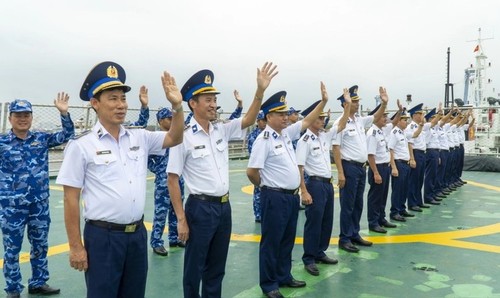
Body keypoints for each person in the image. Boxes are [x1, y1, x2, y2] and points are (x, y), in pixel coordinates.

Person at [56, 61, 184, 297]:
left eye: (123, 99)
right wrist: (76, 246)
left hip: (136, 236)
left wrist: (177, 106)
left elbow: (175, 138)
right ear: (95, 103)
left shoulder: (140, 138)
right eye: (113, 99)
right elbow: (70, 199)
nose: (121, 105)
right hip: (103, 238)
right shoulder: (81, 146)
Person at [167, 62, 278, 298]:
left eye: (214, 99)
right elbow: (172, 179)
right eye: (207, 99)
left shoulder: (221, 129)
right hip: (200, 208)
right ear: (193, 103)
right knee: (194, 266)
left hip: (223, 207)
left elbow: (248, 119)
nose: (214, 104)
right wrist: (180, 219)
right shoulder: (183, 136)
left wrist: (260, 92)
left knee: (216, 267)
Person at [247, 82, 330, 298]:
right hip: (274, 197)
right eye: (280, 114)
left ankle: (284, 276)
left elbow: (308, 120)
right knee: (271, 242)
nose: (285, 117)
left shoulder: (285, 134)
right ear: (269, 116)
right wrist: (267, 186)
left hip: (291, 198)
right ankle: (269, 284)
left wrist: (323, 102)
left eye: (286, 113)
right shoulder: (263, 140)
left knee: (287, 240)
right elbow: (252, 172)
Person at [1, 95, 74, 298]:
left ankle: (38, 282)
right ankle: (13, 289)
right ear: (10, 118)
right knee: (11, 249)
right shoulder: (2, 142)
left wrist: (64, 113)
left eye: (26, 115)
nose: (22, 118)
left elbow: (67, 134)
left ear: (31, 117)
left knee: (40, 245)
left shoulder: (41, 139)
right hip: (11, 207)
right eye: (18, 115)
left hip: (39, 205)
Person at [297, 94, 350, 277]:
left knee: (326, 221)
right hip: (315, 184)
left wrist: (347, 107)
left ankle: (320, 251)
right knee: (314, 222)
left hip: (327, 184)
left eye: (322, 117)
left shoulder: (323, 137)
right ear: (310, 119)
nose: (322, 120)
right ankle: (309, 258)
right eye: (319, 117)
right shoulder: (305, 140)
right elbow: (300, 167)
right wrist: (303, 190)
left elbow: (341, 124)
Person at [332, 86, 388, 253]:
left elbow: (376, 116)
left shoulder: (359, 121)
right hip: (348, 167)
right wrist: (340, 172)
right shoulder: (339, 123)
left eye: (357, 101)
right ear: (345, 104)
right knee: (347, 204)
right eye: (354, 101)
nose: (357, 104)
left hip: (360, 168)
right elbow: (336, 148)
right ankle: (345, 238)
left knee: (358, 203)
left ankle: (354, 233)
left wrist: (384, 104)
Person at [148, 107, 186, 257]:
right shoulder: (156, 139)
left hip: (177, 178)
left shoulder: (176, 137)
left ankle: (174, 238)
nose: (172, 121)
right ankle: (156, 242)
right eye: (169, 119)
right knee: (161, 212)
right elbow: (146, 157)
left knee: (176, 210)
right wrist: (157, 169)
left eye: (173, 118)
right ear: (160, 121)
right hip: (164, 182)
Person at [366, 102, 402, 234]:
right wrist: (375, 172)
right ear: (376, 118)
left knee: (383, 195)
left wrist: (400, 111)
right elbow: (370, 155)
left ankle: (381, 218)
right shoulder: (372, 133)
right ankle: (373, 222)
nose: (386, 119)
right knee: (375, 197)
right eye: (383, 116)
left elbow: (395, 122)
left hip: (385, 167)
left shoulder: (382, 130)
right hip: (378, 168)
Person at [388, 109, 413, 222]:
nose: (406, 122)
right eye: (404, 120)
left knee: (404, 188)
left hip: (405, 163)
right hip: (399, 163)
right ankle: (395, 211)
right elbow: (391, 150)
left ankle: (402, 208)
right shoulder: (394, 133)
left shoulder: (402, 133)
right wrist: (393, 167)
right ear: (398, 121)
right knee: (397, 189)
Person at [246, 111, 266, 223]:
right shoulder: (253, 136)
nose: (265, 123)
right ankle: (258, 214)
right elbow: (253, 154)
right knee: (258, 192)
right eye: (263, 120)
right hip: (258, 168)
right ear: (258, 121)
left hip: (267, 169)